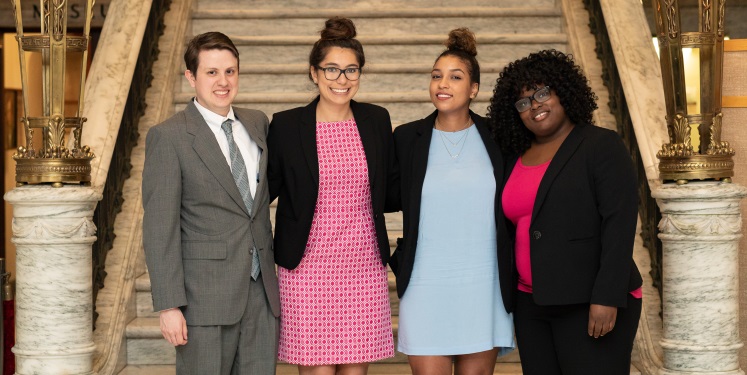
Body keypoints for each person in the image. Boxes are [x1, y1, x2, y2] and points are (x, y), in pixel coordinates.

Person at [488, 49, 642, 375]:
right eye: (524, 102)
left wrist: (607, 297)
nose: (535, 105)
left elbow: (620, 223)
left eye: (543, 93)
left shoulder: (601, 145)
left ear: (563, 91)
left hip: (589, 302)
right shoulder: (514, 156)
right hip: (531, 304)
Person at [142, 31, 280, 374]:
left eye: (230, 71)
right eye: (212, 72)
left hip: (261, 295)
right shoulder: (169, 137)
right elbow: (160, 228)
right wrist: (169, 305)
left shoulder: (257, 123)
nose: (223, 82)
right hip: (202, 300)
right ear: (191, 77)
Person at [267, 17, 397, 375]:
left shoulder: (376, 120)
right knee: (318, 370)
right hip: (307, 267)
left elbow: (390, 187)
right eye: (332, 70)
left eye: (351, 70)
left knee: (355, 371)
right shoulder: (287, 125)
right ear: (314, 72)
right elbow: (264, 190)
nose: (342, 80)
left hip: (363, 264)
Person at [390, 28, 514, 375]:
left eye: (455, 77)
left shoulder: (498, 137)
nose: (442, 84)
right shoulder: (407, 138)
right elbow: (382, 194)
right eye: (436, 76)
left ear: (473, 88)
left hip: (483, 281)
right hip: (425, 282)